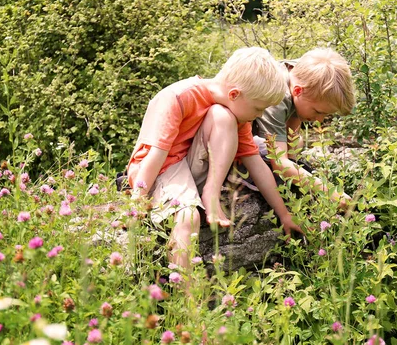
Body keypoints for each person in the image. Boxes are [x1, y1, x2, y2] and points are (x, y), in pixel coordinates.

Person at [126, 47, 303, 270]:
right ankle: (188, 300)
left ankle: (211, 190)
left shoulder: (234, 113)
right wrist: (136, 203)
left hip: (189, 169)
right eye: (258, 108)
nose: (259, 115)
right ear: (235, 94)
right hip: (158, 168)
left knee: (222, 116)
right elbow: (156, 155)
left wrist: (284, 215)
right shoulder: (179, 97)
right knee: (188, 218)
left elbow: (256, 163)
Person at [251, 48, 355, 210]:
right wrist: (328, 191)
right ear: (298, 91)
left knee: (296, 142)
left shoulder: (299, 75)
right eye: (318, 112)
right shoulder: (278, 95)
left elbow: (291, 142)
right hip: (224, 135)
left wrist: (298, 171)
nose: (319, 120)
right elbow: (279, 161)